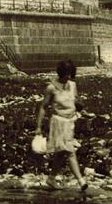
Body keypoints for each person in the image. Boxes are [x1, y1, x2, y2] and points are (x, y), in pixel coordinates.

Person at [34, 58, 88, 194]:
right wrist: (38, 126)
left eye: (70, 74)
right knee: (70, 151)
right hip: (58, 123)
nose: (68, 77)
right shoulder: (51, 88)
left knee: (61, 153)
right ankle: (81, 181)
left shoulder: (73, 85)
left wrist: (83, 111)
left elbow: (76, 102)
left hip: (70, 122)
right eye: (66, 74)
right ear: (61, 73)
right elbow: (43, 107)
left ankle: (51, 178)